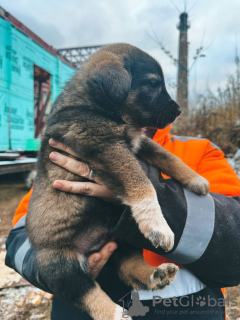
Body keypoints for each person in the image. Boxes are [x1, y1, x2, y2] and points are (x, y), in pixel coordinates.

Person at [5, 124, 240, 319]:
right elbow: (21, 233)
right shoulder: (70, 154)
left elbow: (234, 243)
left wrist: (140, 198)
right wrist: (55, 268)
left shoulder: (196, 151)